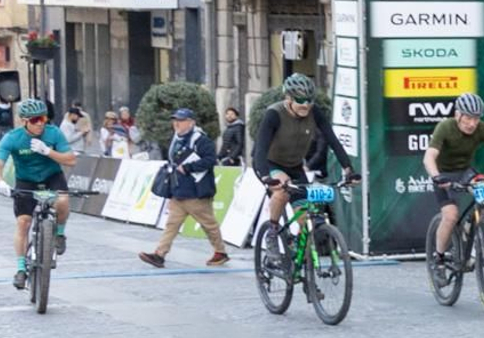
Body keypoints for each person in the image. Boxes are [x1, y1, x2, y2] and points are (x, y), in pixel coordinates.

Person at [0, 99, 78, 288]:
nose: (40, 124)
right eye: (35, 120)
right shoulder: (13, 138)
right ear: (24, 121)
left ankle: (60, 234)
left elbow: (71, 160)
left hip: (52, 177)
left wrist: (48, 152)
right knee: (23, 222)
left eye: (43, 119)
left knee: (62, 201)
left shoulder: (53, 133)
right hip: (26, 180)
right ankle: (21, 269)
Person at [421, 92, 484, 261]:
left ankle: (472, 232)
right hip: (443, 174)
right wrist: (436, 176)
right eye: (468, 118)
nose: (472, 123)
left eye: (476, 118)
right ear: (457, 115)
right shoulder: (445, 127)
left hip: (465, 172)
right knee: (451, 216)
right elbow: (429, 157)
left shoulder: (482, 129)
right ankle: (439, 256)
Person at [252, 73, 355, 232]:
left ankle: (300, 245)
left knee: (303, 218)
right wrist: (266, 177)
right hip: (270, 163)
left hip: (295, 166)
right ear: (288, 98)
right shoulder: (274, 114)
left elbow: (333, 141)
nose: (305, 105)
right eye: (300, 100)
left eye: (309, 100)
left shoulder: (314, 112)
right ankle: (272, 230)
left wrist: (348, 169)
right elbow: (260, 149)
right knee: (282, 192)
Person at [138, 109, 230, 268]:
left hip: (196, 192)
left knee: (209, 225)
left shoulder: (201, 140)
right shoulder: (176, 139)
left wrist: (188, 167)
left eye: (180, 120)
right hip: (179, 191)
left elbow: (210, 160)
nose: (176, 123)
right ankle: (159, 254)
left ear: (191, 122)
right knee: (171, 225)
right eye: (175, 120)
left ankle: (220, 252)